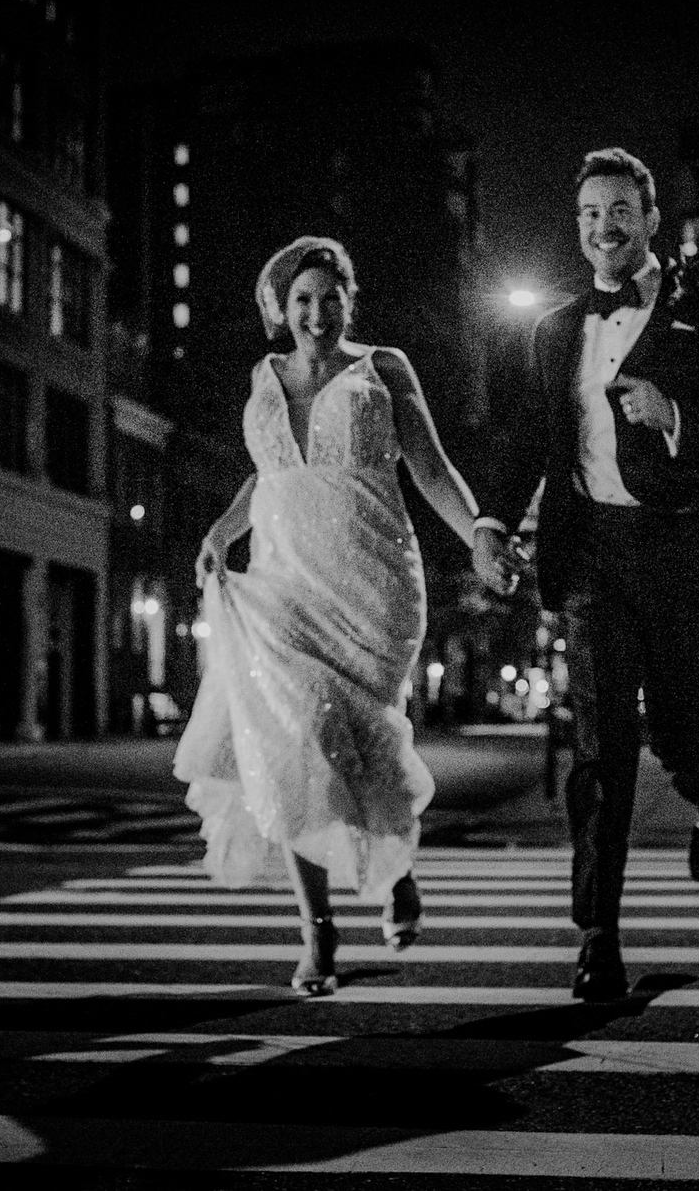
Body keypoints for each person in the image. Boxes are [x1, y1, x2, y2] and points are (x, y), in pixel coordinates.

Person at [477, 148, 699, 1002]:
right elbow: (529, 443)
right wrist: (491, 524)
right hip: (592, 557)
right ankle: (597, 936)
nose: (602, 227)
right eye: (588, 214)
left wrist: (680, 415)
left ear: (650, 219)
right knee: (602, 748)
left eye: (619, 210)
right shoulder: (554, 330)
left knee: (680, 731)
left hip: (684, 547)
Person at [176, 236, 514, 997]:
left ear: (349, 301)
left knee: (365, 744)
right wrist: (223, 531)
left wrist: (482, 536)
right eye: (302, 300)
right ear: (281, 307)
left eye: (331, 298)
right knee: (293, 746)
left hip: (374, 585)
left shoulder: (383, 368)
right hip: (284, 584)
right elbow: (268, 476)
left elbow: (430, 468)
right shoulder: (264, 377)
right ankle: (317, 934)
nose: (317, 313)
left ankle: (395, 869)